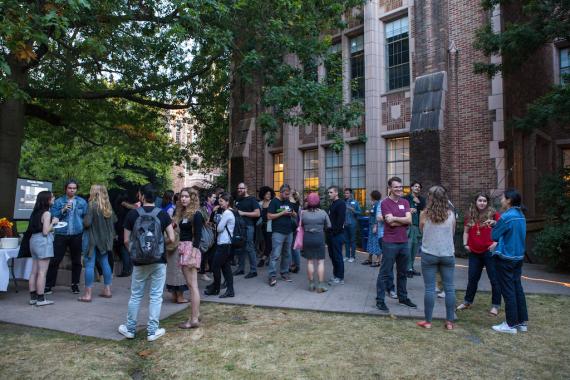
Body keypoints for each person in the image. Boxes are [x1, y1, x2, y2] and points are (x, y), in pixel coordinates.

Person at [118, 184, 174, 342]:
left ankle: (130, 329)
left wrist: (135, 252)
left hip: (139, 261)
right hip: (159, 260)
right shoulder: (163, 214)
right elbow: (172, 238)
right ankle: (152, 331)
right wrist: (159, 244)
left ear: (141, 196)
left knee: (135, 295)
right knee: (156, 296)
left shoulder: (132, 214)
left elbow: (126, 240)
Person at [416, 186, 456, 330]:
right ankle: (450, 322)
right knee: (450, 289)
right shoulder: (451, 214)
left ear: (430, 198)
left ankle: (428, 321)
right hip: (447, 254)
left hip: (429, 254)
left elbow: (422, 231)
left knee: (429, 289)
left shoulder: (424, 214)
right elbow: (452, 232)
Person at [376, 177, 416, 313]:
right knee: (385, 272)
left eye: (400, 186)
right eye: (396, 187)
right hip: (389, 242)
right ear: (390, 188)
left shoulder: (405, 202)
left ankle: (403, 298)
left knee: (402, 272)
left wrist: (396, 218)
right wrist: (401, 220)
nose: (399, 189)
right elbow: (390, 223)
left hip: (403, 242)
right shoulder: (385, 203)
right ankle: (380, 300)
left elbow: (409, 221)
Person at [456, 192, 501, 316]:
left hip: (489, 252)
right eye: (480, 200)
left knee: (494, 279)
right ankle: (467, 302)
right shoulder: (470, 215)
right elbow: (466, 231)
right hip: (474, 253)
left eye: (484, 201)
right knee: (472, 279)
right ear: (475, 202)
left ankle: (495, 305)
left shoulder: (493, 214)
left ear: (487, 202)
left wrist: (496, 243)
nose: (482, 203)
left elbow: (503, 230)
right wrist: (465, 244)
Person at [491, 189, 528, 334]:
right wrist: (496, 223)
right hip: (518, 257)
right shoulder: (520, 215)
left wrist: (495, 225)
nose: (500, 201)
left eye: (502, 198)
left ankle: (510, 324)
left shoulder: (506, 217)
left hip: (506, 258)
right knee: (517, 288)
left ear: (509, 201)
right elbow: (510, 231)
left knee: (508, 291)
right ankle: (521, 322)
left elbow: (495, 236)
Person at [46, 180, 88, 295]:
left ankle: (75, 284)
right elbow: (53, 216)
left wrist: (82, 229)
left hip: (77, 234)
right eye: (70, 188)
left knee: (77, 261)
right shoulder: (59, 201)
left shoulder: (82, 202)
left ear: (76, 189)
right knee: (55, 260)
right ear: (66, 189)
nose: (72, 190)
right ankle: (49, 285)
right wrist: (63, 210)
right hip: (61, 234)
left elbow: (85, 217)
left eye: (74, 188)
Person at [78, 185, 116, 302]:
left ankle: (88, 295)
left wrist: (83, 219)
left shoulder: (91, 205)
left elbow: (87, 223)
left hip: (92, 240)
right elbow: (113, 221)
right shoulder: (108, 207)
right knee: (105, 263)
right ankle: (107, 290)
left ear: (94, 193)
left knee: (89, 265)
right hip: (104, 240)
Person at [174, 188, 203, 328]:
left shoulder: (196, 214)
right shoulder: (184, 213)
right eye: (182, 197)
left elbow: (198, 236)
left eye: (186, 196)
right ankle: (195, 315)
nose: (183, 199)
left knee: (192, 286)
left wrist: (192, 256)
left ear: (192, 198)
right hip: (185, 249)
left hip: (190, 250)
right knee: (192, 286)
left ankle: (193, 320)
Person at [28, 191, 59, 306]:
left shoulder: (35, 212)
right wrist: (54, 222)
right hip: (43, 242)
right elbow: (45, 231)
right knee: (42, 272)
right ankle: (41, 299)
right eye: (52, 197)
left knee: (34, 271)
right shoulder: (47, 213)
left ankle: (33, 298)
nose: (54, 198)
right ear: (47, 200)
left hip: (33, 241)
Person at [204, 192, 235, 298]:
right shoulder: (231, 212)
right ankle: (230, 290)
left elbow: (219, 228)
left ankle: (216, 288)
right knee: (226, 268)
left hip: (223, 243)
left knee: (215, 266)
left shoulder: (227, 213)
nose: (219, 203)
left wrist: (217, 223)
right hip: (226, 243)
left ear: (227, 202)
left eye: (221, 201)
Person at [267, 184, 296, 286]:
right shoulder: (274, 202)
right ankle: (272, 276)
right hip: (278, 232)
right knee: (275, 255)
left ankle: (284, 272)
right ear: (281, 192)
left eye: (288, 194)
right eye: (286, 194)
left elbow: (295, 214)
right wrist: (282, 213)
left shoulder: (288, 201)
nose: (287, 196)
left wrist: (292, 213)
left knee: (287, 254)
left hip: (289, 232)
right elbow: (269, 216)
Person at [301, 192, 331, 292]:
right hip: (319, 237)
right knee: (320, 262)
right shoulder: (323, 213)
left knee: (309, 261)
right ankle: (321, 285)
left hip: (307, 237)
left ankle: (311, 284)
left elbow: (300, 225)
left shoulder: (303, 213)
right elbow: (329, 226)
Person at [233, 183, 260, 278]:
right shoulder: (238, 199)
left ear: (246, 188)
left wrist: (243, 213)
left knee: (249, 248)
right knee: (241, 248)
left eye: (242, 188)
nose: (239, 189)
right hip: (239, 227)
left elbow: (257, 213)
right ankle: (241, 269)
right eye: (238, 188)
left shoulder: (252, 199)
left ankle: (253, 270)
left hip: (248, 227)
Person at [404, 181, 426, 277]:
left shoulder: (422, 199)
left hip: (418, 226)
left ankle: (411, 267)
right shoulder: (405, 198)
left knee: (414, 249)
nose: (417, 188)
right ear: (411, 188)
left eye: (419, 187)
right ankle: (406, 269)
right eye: (415, 186)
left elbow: (424, 211)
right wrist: (408, 210)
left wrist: (419, 202)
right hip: (408, 226)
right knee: (408, 248)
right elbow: (400, 210)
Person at [327, 186, 346, 285]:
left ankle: (340, 277)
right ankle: (336, 275)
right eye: (328, 192)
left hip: (337, 235)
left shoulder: (341, 204)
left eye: (331, 192)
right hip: (331, 234)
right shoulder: (332, 204)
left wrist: (334, 232)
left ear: (336, 193)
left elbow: (340, 220)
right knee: (332, 256)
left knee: (337, 256)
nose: (329, 194)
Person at [198, 190, 217, 281]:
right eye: (213, 197)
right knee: (204, 252)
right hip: (205, 233)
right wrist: (213, 213)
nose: (215, 199)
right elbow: (206, 222)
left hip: (210, 232)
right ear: (208, 198)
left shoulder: (211, 206)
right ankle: (202, 272)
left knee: (209, 252)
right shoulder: (204, 207)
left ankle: (207, 269)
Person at [114, 192, 132, 277]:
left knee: (124, 250)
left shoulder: (119, 210)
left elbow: (118, 222)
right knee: (128, 250)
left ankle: (126, 270)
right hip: (129, 230)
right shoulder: (130, 210)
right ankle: (129, 269)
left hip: (121, 231)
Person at [363, 190, 382, 266]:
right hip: (371, 225)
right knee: (371, 242)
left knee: (376, 242)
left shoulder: (377, 204)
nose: (370, 197)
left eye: (371, 195)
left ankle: (378, 260)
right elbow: (372, 213)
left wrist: (375, 226)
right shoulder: (374, 204)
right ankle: (369, 258)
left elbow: (377, 216)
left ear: (374, 196)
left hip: (375, 225)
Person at [257, 186, 275, 267]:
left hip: (271, 225)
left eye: (270, 194)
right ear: (263, 195)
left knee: (269, 243)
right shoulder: (260, 204)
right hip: (262, 226)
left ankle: (263, 259)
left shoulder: (273, 202)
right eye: (267, 194)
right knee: (265, 242)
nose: (268, 195)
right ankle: (269, 257)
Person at [343, 188, 362, 263]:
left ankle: (352, 256)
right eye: (345, 193)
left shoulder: (355, 202)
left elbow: (359, 212)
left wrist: (353, 210)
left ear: (351, 194)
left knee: (352, 240)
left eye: (347, 193)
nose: (345, 194)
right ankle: (347, 256)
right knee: (346, 241)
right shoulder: (343, 202)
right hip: (345, 224)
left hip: (352, 224)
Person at [289, 190, 302, 273]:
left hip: (289, 227)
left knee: (289, 247)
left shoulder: (289, 204)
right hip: (296, 227)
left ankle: (289, 265)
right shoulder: (298, 204)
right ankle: (297, 265)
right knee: (295, 247)